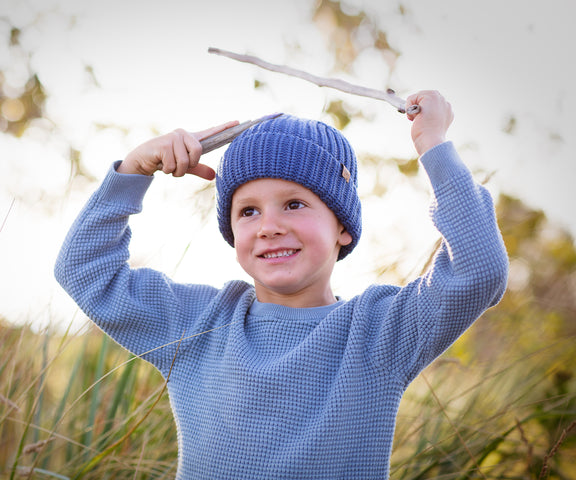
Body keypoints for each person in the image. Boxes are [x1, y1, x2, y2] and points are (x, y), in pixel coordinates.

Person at [54, 90, 509, 479]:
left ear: (343, 229)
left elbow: (479, 269)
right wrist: (133, 170)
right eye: (248, 211)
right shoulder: (198, 324)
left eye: (293, 204)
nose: (268, 226)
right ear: (232, 232)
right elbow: (83, 269)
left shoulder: (379, 332)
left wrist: (431, 143)